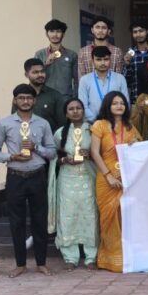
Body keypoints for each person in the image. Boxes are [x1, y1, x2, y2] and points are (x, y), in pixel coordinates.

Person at [0, 84, 57, 278]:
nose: (25, 101)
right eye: (21, 98)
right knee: (16, 221)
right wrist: (10, 157)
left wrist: (37, 148)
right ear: (15, 100)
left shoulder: (43, 123)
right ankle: (20, 264)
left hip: (37, 175)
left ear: (34, 100)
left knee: (39, 220)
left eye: (29, 98)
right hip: (15, 177)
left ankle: (41, 263)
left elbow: (52, 152)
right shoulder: (5, 123)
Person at [90, 91, 141, 273]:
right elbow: (94, 153)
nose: (119, 106)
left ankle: (127, 257)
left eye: (122, 103)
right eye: (115, 103)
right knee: (109, 219)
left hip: (127, 177)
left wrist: (135, 142)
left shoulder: (130, 126)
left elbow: (139, 149)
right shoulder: (100, 125)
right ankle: (110, 259)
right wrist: (108, 175)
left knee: (125, 217)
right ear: (108, 105)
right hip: (106, 179)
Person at [47, 98, 98, 271]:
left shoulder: (93, 130)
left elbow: (102, 153)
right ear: (66, 114)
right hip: (67, 180)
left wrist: (90, 155)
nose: (75, 111)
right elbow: (52, 156)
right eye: (71, 109)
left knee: (90, 215)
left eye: (78, 108)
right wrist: (64, 160)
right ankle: (70, 257)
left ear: (83, 111)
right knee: (67, 216)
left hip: (88, 178)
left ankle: (91, 257)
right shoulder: (59, 133)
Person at [78, 46, 129, 122]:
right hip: (92, 123)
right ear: (92, 61)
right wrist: (96, 121)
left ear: (110, 60)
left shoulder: (120, 78)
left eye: (106, 59)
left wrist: (115, 119)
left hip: (116, 122)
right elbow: (83, 105)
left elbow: (126, 102)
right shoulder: (84, 80)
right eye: (98, 60)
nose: (102, 63)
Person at [15, 58, 66, 131]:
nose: (40, 75)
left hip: (49, 137)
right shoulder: (20, 96)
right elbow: (15, 121)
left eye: (42, 71)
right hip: (25, 136)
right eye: (35, 72)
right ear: (26, 75)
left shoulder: (55, 95)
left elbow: (62, 124)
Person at [35, 19, 78, 100]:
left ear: (63, 34)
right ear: (46, 34)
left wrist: (74, 98)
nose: (55, 34)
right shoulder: (40, 54)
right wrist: (46, 63)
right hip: (45, 97)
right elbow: (34, 76)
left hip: (65, 98)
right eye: (51, 31)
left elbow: (77, 79)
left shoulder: (72, 55)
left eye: (58, 31)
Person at [122, 21, 148, 98]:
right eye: (135, 32)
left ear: (147, 31)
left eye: (141, 31)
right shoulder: (130, 54)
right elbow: (125, 81)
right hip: (136, 99)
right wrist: (127, 65)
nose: (138, 34)